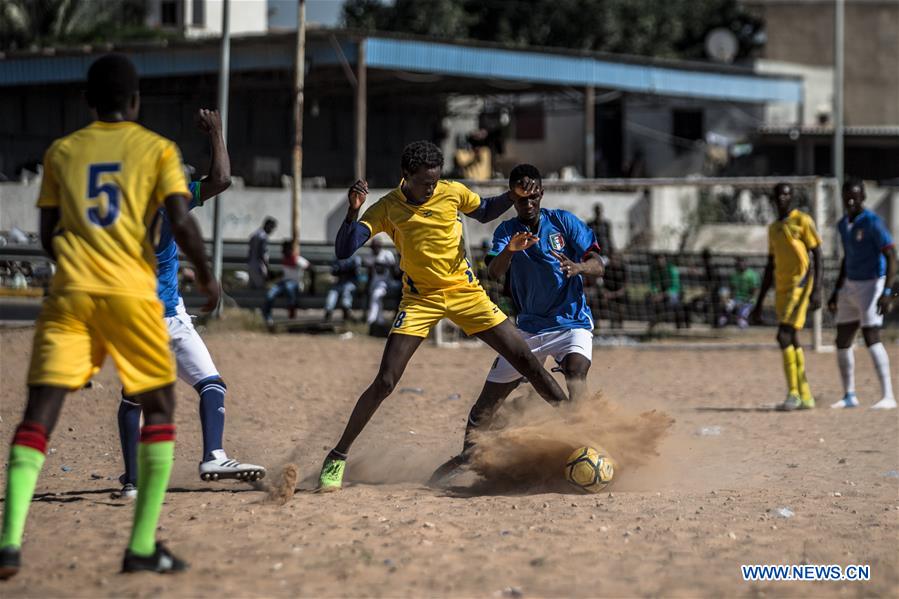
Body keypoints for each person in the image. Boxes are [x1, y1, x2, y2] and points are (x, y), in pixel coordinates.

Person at [0, 54, 219, 578]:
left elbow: (48, 234)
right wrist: (208, 276)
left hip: (71, 295)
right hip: (132, 295)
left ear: (87, 101)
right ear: (136, 102)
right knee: (159, 406)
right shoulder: (157, 149)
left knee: (40, 411)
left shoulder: (62, 152)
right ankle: (141, 544)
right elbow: (182, 222)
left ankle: (8, 542)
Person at [318, 141, 569, 491]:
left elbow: (485, 211)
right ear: (406, 176)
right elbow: (344, 249)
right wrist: (353, 211)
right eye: (425, 183)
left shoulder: (452, 192)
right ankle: (338, 455)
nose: (431, 188)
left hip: (466, 293)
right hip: (420, 301)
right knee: (386, 381)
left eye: (435, 181)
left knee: (525, 359)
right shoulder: (387, 208)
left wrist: (512, 195)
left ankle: (577, 422)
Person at [116, 109, 265, 500]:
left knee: (136, 397)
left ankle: (134, 481)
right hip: (166, 317)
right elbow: (222, 179)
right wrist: (216, 132)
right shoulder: (171, 202)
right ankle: (212, 455)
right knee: (210, 384)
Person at [430, 164, 604, 482]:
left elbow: (599, 264)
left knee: (576, 372)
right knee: (486, 405)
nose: (529, 203)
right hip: (527, 329)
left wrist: (579, 268)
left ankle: (583, 444)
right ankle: (467, 458)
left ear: (542, 194)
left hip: (571, 323)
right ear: (513, 198)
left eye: (533, 196)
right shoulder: (506, 231)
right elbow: (494, 273)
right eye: (522, 198)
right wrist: (509, 251)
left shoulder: (563, 222)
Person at [750, 182, 822, 411]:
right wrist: (759, 303)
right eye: (779, 194)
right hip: (782, 288)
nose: (783, 198)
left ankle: (793, 393)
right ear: (774, 198)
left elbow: (818, 254)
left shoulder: (803, 220)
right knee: (792, 338)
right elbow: (770, 265)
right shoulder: (773, 229)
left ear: (792, 197)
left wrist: (817, 288)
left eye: (787, 194)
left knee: (783, 335)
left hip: (800, 285)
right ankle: (806, 395)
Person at [828, 179, 896, 409]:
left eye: (855, 196)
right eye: (846, 196)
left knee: (871, 335)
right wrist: (836, 290)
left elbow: (891, 256)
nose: (850, 201)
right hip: (850, 284)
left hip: (872, 283)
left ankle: (888, 396)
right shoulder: (842, 224)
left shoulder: (873, 222)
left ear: (863, 198)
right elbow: (847, 258)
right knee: (842, 338)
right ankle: (849, 395)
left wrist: (888, 292)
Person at [263, 240, 310, 326]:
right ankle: (268, 318)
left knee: (289, 287)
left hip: (295, 283)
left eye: (285, 249)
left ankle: (292, 311)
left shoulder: (297, 259)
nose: (283, 251)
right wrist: (272, 276)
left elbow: (311, 268)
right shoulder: (285, 259)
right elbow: (285, 273)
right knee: (270, 294)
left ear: (290, 249)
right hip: (284, 283)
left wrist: (311, 287)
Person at [647, 254, 688, 330]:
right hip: (661, 292)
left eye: (661, 259)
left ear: (665, 259)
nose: (659, 261)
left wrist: (663, 295)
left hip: (675, 292)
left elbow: (675, 286)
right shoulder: (654, 269)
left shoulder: (672, 269)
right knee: (649, 299)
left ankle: (679, 324)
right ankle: (653, 321)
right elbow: (653, 284)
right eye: (657, 259)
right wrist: (654, 293)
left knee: (673, 301)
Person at [365, 237, 397, 326]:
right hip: (374, 282)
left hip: (386, 282)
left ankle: (371, 319)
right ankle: (380, 320)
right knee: (376, 299)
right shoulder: (369, 256)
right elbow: (369, 274)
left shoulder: (387, 254)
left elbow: (394, 270)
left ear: (380, 246)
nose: (375, 248)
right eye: (373, 246)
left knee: (376, 296)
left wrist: (383, 265)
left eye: (377, 246)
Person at [723, 257, 760, 328]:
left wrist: (750, 299)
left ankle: (743, 322)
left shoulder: (752, 274)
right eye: (739, 262)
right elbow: (732, 289)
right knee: (728, 306)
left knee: (742, 316)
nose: (741, 264)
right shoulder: (734, 275)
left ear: (746, 263)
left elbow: (755, 289)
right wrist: (730, 299)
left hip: (748, 300)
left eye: (743, 261)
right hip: (737, 299)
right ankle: (724, 320)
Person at [324, 255, 361, 322]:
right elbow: (333, 272)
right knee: (332, 293)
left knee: (346, 292)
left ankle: (346, 313)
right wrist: (339, 270)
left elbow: (356, 272)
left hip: (351, 282)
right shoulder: (337, 257)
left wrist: (344, 268)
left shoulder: (355, 258)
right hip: (339, 282)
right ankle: (328, 314)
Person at [600, 252, 628, 329]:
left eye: (616, 259)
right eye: (613, 259)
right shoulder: (606, 268)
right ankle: (611, 325)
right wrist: (605, 293)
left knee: (621, 308)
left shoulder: (623, 269)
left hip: (619, 294)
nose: (615, 261)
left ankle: (620, 326)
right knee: (608, 306)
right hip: (608, 293)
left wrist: (614, 294)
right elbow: (601, 283)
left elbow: (625, 287)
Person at [248, 217, 277, 289]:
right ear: (268, 225)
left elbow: (250, 251)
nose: (271, 231)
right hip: (259, 266)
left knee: (252, 288)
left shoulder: (255, 234)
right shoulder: (263, 237)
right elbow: (262, 253)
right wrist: (267, 267)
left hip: (251, 264)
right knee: (260, 288)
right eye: (272, 228)